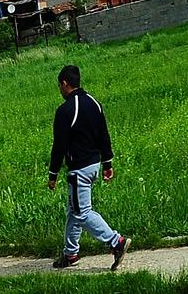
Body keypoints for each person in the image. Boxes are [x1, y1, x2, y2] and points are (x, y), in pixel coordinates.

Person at [47, 64, 129, 270]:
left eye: (59, 86)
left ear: (65, 84)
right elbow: (104, 135)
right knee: (73, 211)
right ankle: (70, 254)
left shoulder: (65, 110)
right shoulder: (94, 103)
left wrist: (53, 173)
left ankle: (116, 242)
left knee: (82, 212)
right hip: (93, 165)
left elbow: (59, 145)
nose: (60, 90)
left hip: (79, 169)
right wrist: (107, 163)